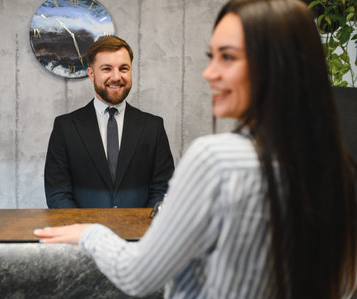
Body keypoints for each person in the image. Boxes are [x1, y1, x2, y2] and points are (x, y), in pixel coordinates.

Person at [35, 0, 357, 298]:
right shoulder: (338, 171)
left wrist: (91, 233)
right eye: (211, 57)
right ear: (91, 72)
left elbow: (136, 275)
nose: (209, 73)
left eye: (227, 57)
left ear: (277, 65)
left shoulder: (215, 160)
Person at [44, 36, 175, 208]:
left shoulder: (153, 127)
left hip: (140, 233)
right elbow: (57, 193)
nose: (116, 77)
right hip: (83, 233)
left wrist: (140, 228)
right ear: (91, 74)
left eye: (123, 68)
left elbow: (163, 189)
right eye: (106, 69)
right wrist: (87, 233)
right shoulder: (65, 128)